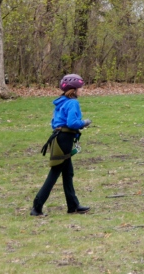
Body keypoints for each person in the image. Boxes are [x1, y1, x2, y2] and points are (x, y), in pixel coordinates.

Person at [32, 74, 92, 216]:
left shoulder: (61, 102)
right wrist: (83, 123)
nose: (81, 90)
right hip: (64, 140)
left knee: (68, 173)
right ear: (74, 90)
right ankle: (37, 206)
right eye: (80, 88)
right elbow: (72, 123)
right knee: (55, 173)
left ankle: (73, 206)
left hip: (59, 138)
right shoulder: (72, 103)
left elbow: (55, 123)